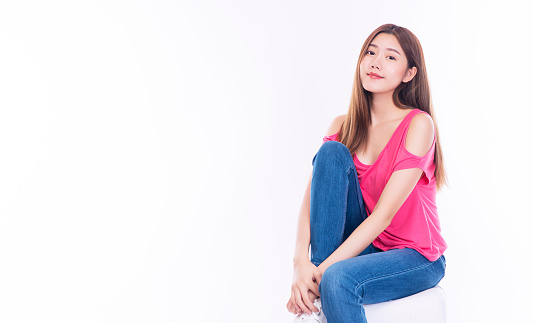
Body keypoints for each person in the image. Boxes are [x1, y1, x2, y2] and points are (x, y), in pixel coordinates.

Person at [286, 23, 448, 323]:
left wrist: (319, 277)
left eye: (390, 57)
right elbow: (312, 204)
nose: (375, 62)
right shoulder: (341, 125)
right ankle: (320, 283)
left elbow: (382, 217)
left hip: (416, 256)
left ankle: (320, 286)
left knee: (338, 280)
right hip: (367, 247)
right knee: (331, 153)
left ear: (409, 74)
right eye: (370, 53)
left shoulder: (418, 125)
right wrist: (301, 265)